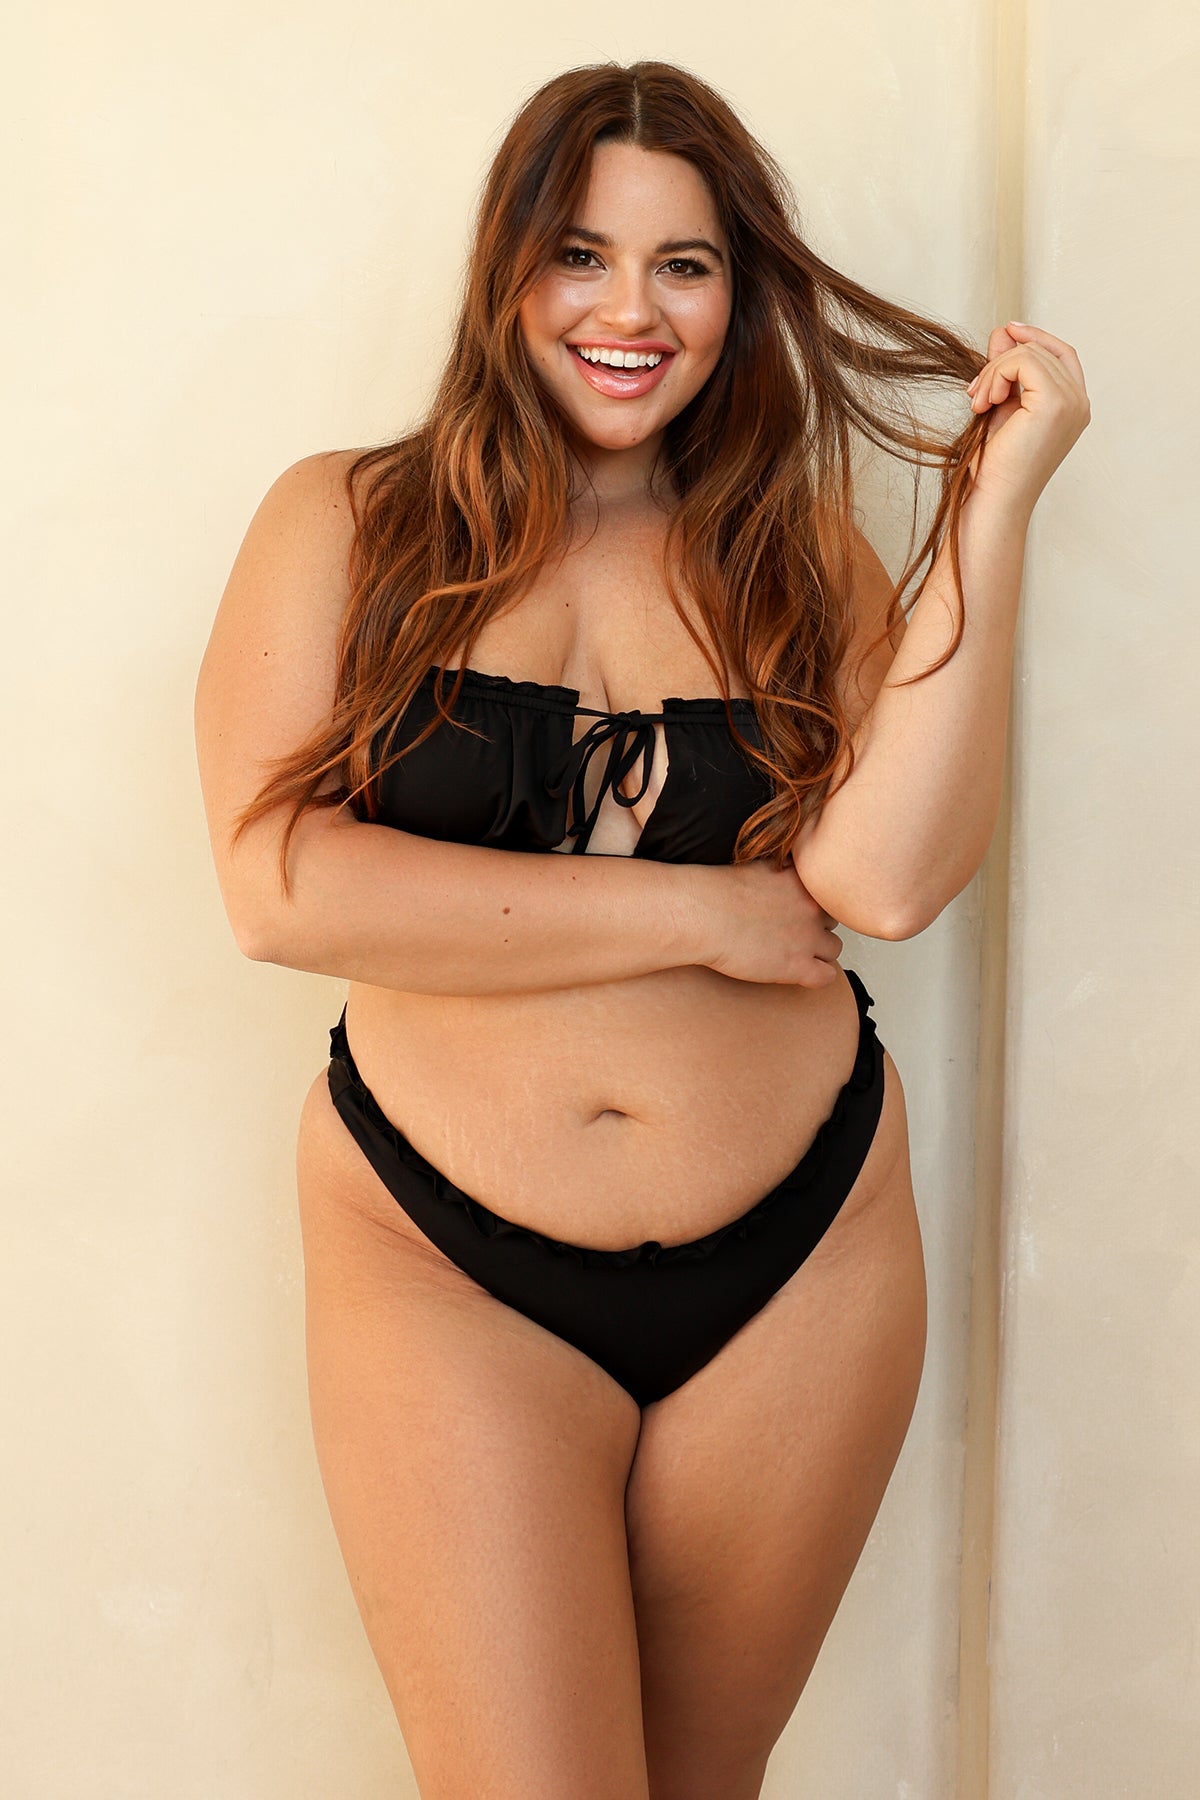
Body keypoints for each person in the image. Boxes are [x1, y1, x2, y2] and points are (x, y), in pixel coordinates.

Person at [194, 57, 1090, 1800]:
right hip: (442, 1261)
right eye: (581, 255)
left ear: (738, 295)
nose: (630, 311)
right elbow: (276, 889)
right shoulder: (350, 522)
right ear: (507, 272)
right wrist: (697, 913)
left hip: (805, 1266)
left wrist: (994, 508)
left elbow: (888, 882)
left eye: (685, 264)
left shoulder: (796, 557)